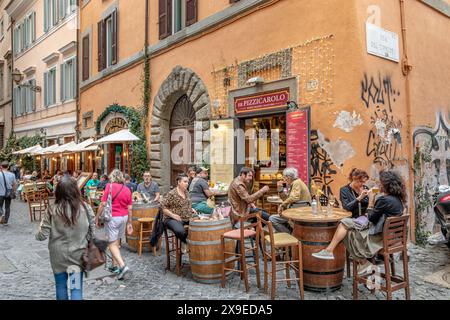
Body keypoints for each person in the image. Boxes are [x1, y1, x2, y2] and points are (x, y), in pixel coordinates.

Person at [312, 170, 406, 275]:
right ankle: (356, 261)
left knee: (344, 228)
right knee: (345, 224)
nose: (378, 184)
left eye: (380, 183)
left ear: (386, 184)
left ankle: (362, 262)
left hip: (377, 238)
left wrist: (371, 200)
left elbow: (371, 218)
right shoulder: (398, 199)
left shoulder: (384, 200)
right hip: (391, 238)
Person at [35, 177, 95, 300]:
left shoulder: (52, 209)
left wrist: (39, 229)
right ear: (75, 190)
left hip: (58, 256)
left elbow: (42, 236)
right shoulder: (85, 208)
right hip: (78, 254)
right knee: (76, 288)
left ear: (59, 191)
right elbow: (92, 233)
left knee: (61, 286)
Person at [95, 169, 133, 279]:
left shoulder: (109, 187)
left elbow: (102, 203)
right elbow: (130, 208)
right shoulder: (127, 189)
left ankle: (123, 266)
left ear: (112, 177)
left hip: (113, 218)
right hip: (124, 218)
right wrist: (129, 223)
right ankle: (115, 265)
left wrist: (97, 217)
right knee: (116, 241)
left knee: (111, 243)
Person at [161, 174, 196, 252]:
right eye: (185, 181)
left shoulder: (187, 192)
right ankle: (184, 242)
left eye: (188, 182)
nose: (187, 183)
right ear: (179, 182)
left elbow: (186, 204)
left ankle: (194, 246)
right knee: (180, 231)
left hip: (186, 217)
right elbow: (163, 207)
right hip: (171, 218)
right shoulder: (172, 193)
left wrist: (191, 209)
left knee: (200, 225)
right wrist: (173, 215)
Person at [269, 167, 311, 233]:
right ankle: (291, 232)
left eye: (284, 177)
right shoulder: (295, 183)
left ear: (288, 178)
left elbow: (294, 197)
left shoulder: (297, 183)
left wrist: (282, 205)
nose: (283, 179)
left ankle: (290, 235)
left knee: (272, 219)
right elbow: (287, 199)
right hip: (295, 211)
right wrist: (280, 189)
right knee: (275, 219)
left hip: (297, 213)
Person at [0, 162, 17, 226]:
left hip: (0, 193)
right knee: (7, 207)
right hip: (9, 193)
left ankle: (1, 214)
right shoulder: (12, 175)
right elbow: (14, 184)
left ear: (1, 166)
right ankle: (6, 221)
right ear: (8, 167)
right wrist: (14, 192)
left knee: (0, 206)